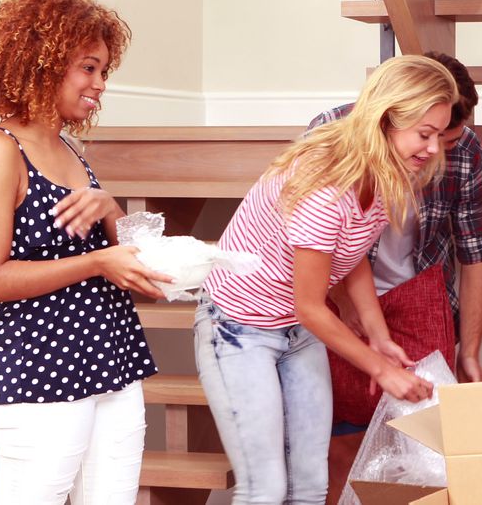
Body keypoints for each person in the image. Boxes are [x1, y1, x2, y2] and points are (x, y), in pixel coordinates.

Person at [195, 54, 456, 504]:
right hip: (240, 328)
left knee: (311, 486)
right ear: (386, 120)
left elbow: (349, 257)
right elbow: (312, 306)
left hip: (296, 332)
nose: (433, 148)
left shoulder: (383, 172)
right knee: (265, 489)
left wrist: (377, 336)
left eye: (439, 136)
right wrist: (379, 369)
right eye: (424, 134)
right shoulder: (326, 183)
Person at [0, 0, 172, 504]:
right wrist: (96, 263)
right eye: (88, 67)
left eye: (103, 70)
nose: (100, 83)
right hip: (40, 369)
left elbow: (133, 252)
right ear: (43, 61)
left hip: (112, 360)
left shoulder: (71, 149)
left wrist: (110, 210)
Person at [309, 51, 482, 409]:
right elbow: (326, 252)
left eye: (446, 139)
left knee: (424, 422)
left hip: (419, 295)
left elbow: (477, 253)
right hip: (338, 293)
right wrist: (348, 307)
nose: (436, 150)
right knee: (340, 421)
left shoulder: (467, 149)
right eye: (426, 134)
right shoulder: (333, 134)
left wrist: (469, 349)